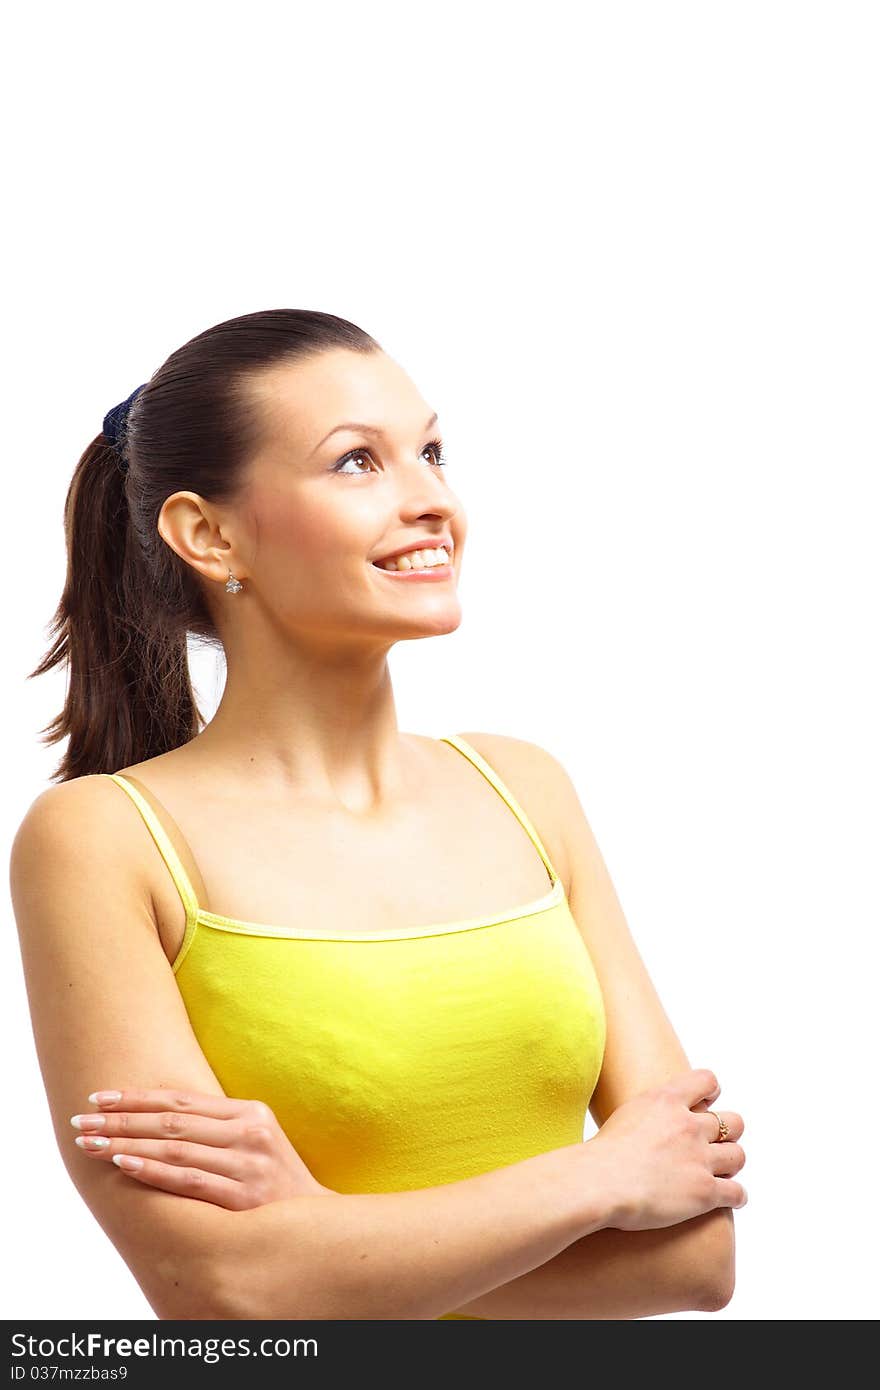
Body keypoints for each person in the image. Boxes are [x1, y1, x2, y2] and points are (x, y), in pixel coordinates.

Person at [10, 308, 747, 1321]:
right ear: (208, 532)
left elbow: (696, 1260)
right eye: (358, 461)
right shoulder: (103, 839)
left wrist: (325, 1233)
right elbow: (226, 1285)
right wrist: (600, 1177)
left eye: (432, 451)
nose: (431, 499)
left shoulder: (525, 789)